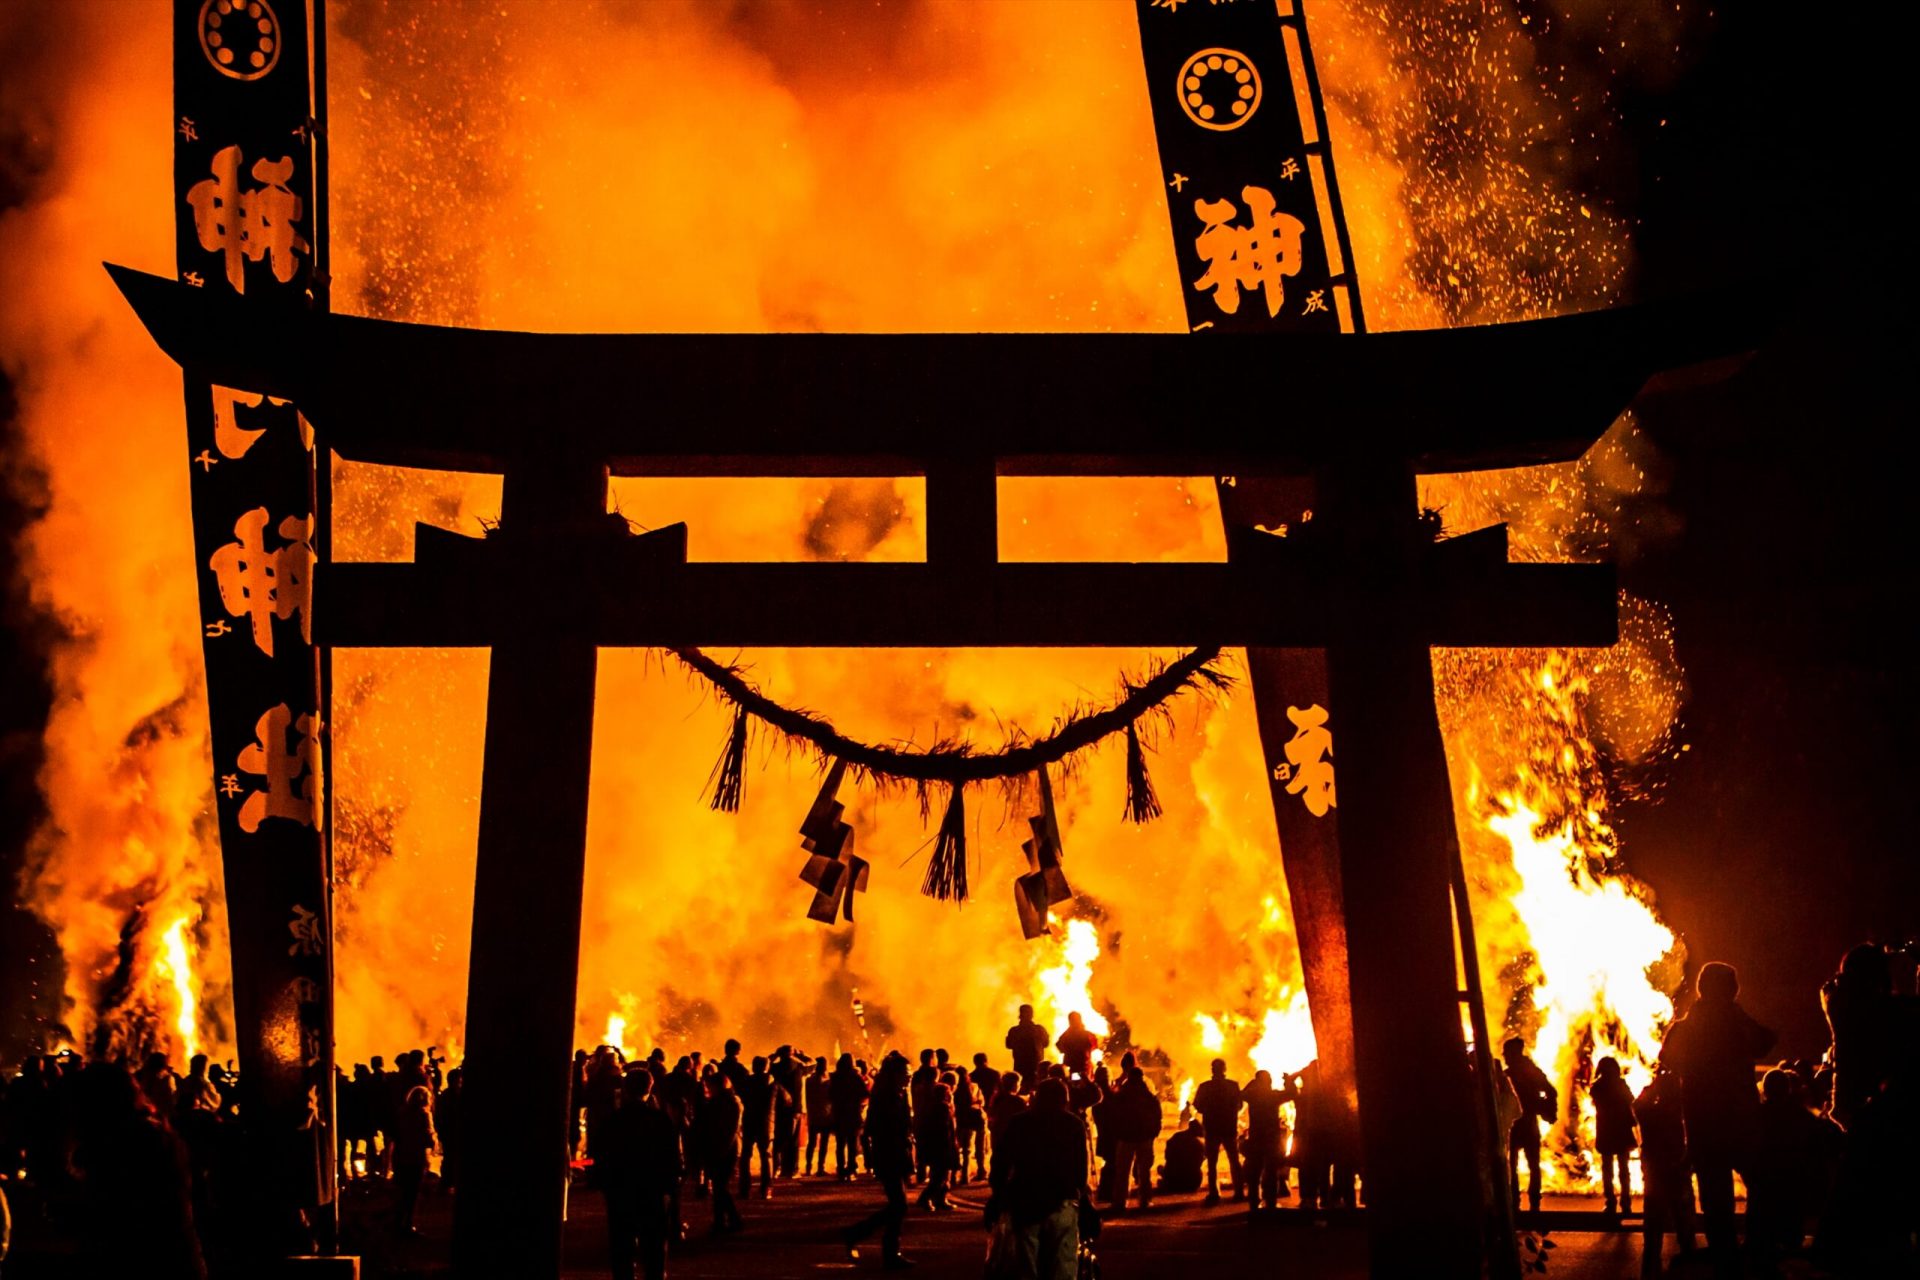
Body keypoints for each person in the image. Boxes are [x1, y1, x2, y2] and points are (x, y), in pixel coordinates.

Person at [1659, 961, 1775, 1276]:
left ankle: (1725, 1253)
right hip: (1739, 1120)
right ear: (1731, 990)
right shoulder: (1736, 1024)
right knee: (1760, 1182)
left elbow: (1667, 1059)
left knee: (1715, 1192)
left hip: (1703, 1122)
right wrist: (1737, 1015)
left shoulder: (1686, 1026)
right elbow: (1767, 1041)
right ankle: (1754, 1246)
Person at [70, 1061, 205, 1279]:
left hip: (148, 1260)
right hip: (175, 1257)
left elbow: (122, 1213)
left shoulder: (123, 1145)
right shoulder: (156, 1133)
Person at [988, 1077, 1090, 1280]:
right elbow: (1080, 1167)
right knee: (1063, 1260)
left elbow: (1001, 1160)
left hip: (1026, 1197)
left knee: (1025, 1262)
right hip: (1061, 1198)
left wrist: (998, 1191)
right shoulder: (1073, 1124)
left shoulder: (1019, 1122)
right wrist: (1081, 1194)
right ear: (1064, 1099)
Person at [1745, 1066, 1842, 1269]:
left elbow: (1744, 1147)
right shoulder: (1802, 1117)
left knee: (1761, 1242)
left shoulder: (1756, 1117)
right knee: (1791, 1240)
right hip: (1793, 1185)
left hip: (1764, 1186)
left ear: (1766, 1090)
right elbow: (1827, 1140)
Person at [602, 1069, 683, 1280]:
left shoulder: (613, 1120)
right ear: (649, 1089)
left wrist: (608, 1187)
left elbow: (602, 1157)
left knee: (622, 1250)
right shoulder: (660, 1120)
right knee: (654, 1249)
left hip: (621, 1192)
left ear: (626, 1090)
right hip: (652, 1193)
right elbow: (672, 1158)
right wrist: (670, 1190)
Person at [842, 1052, 914, 1270]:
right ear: (895, 1075)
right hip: (888, 1154)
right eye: (906, 1073)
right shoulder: (885, 1097)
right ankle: (886, 1250)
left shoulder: (899, 1094)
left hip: (898, 1154)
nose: (909, 1077)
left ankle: (865, 1238)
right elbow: (872, 1129)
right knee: (899, 1205)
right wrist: (872, 1158)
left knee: (898, 1205)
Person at [1635, 1067, 1695, 1277]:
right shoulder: (1682, 1112)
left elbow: (1637, 1105)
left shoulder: (1650, 1113)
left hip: (1655, 1173)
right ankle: (1689, 1258)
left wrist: (1652, 1087)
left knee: (1653, 1221)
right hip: (1677, 1170)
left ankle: (1651, 1263)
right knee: (1683, 1218)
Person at [1502, 1037, 1557, 1214]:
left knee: (1519, 1164)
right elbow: (1550, 1091)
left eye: (1507, 1053)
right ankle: (1526, 1202)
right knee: (1523, 1164)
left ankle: (1522, 1202)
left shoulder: (1519, 1073)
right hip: (1519, 1123)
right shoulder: (1519, 1072)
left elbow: (1550, 1091)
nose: (1505, 1057)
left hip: (1520, 1124)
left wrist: (1543, 1106)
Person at [1106, 1065, 1161, 1213]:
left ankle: (1120, 1202)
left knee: (1123, 1171)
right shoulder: (1148, 1096)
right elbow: (1157, 1115)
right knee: (1144, 1171)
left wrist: (1116, 1132)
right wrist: (1153, 1133)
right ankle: (1144, 1200)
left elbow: (1114, 1115)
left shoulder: (1122, 1095)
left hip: (1126, 1137)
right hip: (1144, 1138)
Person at [695, 1074, 743, 1234]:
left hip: (722, 1149)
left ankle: (730, 1220)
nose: (707, 1089)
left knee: (720, 1187)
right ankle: (722, 1221)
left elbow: (727, 1130)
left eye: (709, 1086)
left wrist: (719, 1151)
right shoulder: (729, 1101)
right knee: (719, 1187)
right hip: (724, 1148)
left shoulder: (724, 1103)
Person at [1192, 1058, 1244, 1205]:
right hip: (1229, 1127)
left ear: (1212, 1070)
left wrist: (1210, 1111)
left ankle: (1214, 1192)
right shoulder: (1233, 1086)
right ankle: (1239, 1191)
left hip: (1212, 1127)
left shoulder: (1205, 1087)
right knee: (1234, 1160)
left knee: (1212, 1162)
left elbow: (1198, 1106)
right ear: (1224, 1069)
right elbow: (1239, 1105)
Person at [1241, 1069, 1295, 1210]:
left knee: (1255, 1170)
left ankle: (1254, 1200)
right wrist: (1288, 1080)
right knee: (1271, 1170)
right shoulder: (1273, 1095)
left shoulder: (1253, 1095)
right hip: (1272, 1138)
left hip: (1257, 1137)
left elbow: (1240, 1094)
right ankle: (1270, 1201)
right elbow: (1291, 1093)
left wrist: (1251, 1083)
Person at [1591, 1056, 1638, 1215]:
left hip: (1606, 1130)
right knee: (1623, 1169)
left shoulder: (1597, 1087)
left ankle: (1610, 1202)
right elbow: (1631, 1102)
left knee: (1607, 1169)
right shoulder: (1621, 1085)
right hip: (1620, 1130)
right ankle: (1625, 1202)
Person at [391, 1084, 438, 1237]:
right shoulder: (424, 1115)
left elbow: (394, 1133)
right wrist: (434, 1141)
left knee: (401, 1190)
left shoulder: (401, 1112)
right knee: (412, 1192)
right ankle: (408, 1224)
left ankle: (397, 1222)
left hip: (400, 1156)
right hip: (415, 1157)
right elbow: (428, 1138)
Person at [740, 1055, 782, 1200]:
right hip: (766, 1123)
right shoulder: (774, 1084)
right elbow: (787, 1100)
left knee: (745, 1156)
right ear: (767, 1067)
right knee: (766, 1156)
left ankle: (744, 1188)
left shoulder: (746, 1082)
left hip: (749, 1121)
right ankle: (766, 1188)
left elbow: (741, 1096)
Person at [917, 1073, 958, 1211]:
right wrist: (951, 1148)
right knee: (940, 1177)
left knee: (942, 1176)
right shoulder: (943, 1109)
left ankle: (941, 1199)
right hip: (942, 1149)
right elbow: (945, 1132)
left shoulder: (934, 1108)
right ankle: (925, 1198)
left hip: (939, 1148)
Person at [828, 1053, 869, 1181]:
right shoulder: (855, 1077)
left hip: (839, 1114)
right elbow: (865, 1093)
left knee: (840, 1144)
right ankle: (851, 1169)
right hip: (853, 1114)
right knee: (852, 1144)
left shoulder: (835, 1077)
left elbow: (829, 1095)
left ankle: (841, 1169)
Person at [950, 1063, 985, 1186]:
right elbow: (982, 1102)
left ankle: (953, 1176)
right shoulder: (974, 1087)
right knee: (967, 1151)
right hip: (970, 1121)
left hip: (957, 1121)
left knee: (955, 1150)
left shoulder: (953, 1089)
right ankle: (965, 1176)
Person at [1006, 1005, 1050, 1093]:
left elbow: (1008, 1045)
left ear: (1020, 1014)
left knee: (1020, 1090)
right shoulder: (1039, 1030)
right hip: (1036, 1067)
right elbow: (1046, 1044)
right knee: (1037, 1090)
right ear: (1032, 1015)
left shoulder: (1014, 1031)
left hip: (1020, 1067)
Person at [804, 1055, 832, 1175]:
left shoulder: (809, 1080)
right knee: (823, 1143)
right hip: (825, 1115)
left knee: (812, 1143)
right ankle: (820, 1167)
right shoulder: (828, 1082)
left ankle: (809, 1167)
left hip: (814, 1115)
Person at [1160, 1119, 1205, 1194]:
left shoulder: (1176, 1137)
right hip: (1191, 1184)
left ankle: (1168, 1184)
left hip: (1173, 1178)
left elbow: (1167, 1156)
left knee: (1161, 1168)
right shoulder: (1197, 1144)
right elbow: (1197, 1163)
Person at [1055, 1012, 1100, 1079]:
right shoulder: (1087, 1034)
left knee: (1075, 1083)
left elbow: (1060, 1047)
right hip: (1084, 1065)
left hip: (1073, 1066)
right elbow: (1094, 1045)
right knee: (1084, 1083)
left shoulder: (1066, 1035)